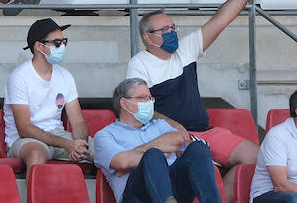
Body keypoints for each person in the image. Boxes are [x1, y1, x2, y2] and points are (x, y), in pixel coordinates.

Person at [126, 0, 276, 190]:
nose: (172, 33)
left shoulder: (185, 49)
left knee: (256, 156)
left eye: (173, 27)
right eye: (165, 30)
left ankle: (222, 196)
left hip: (204, 132)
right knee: (189, 167)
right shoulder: (138, 64)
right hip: (169, 136)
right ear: (148, 38)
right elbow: (136, 108)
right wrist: (171, 123)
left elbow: (220, 20)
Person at [93, 77, 222, 203]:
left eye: (150, 98)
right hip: (137, 195)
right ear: (124, 103)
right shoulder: (105, 135)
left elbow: (178, 139)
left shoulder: (159, 124)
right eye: (142, 98)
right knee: (154, 155)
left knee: (198, 148)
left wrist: (137, 152)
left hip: (175, 189)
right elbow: (123, 162)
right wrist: (160, 153)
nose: (149, 102)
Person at [2, 18, 93, 169]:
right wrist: (67, 144)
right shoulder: (19, 77)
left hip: (58, 135)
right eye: (57, 43)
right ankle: (34, 193)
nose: (62, 46)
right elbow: (24, 128)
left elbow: (78, 122)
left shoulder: (66, 76)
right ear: (38, 46)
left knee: (103, 150)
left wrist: (79, 146)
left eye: (64, 42)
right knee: (36, 154)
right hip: (26, 139)